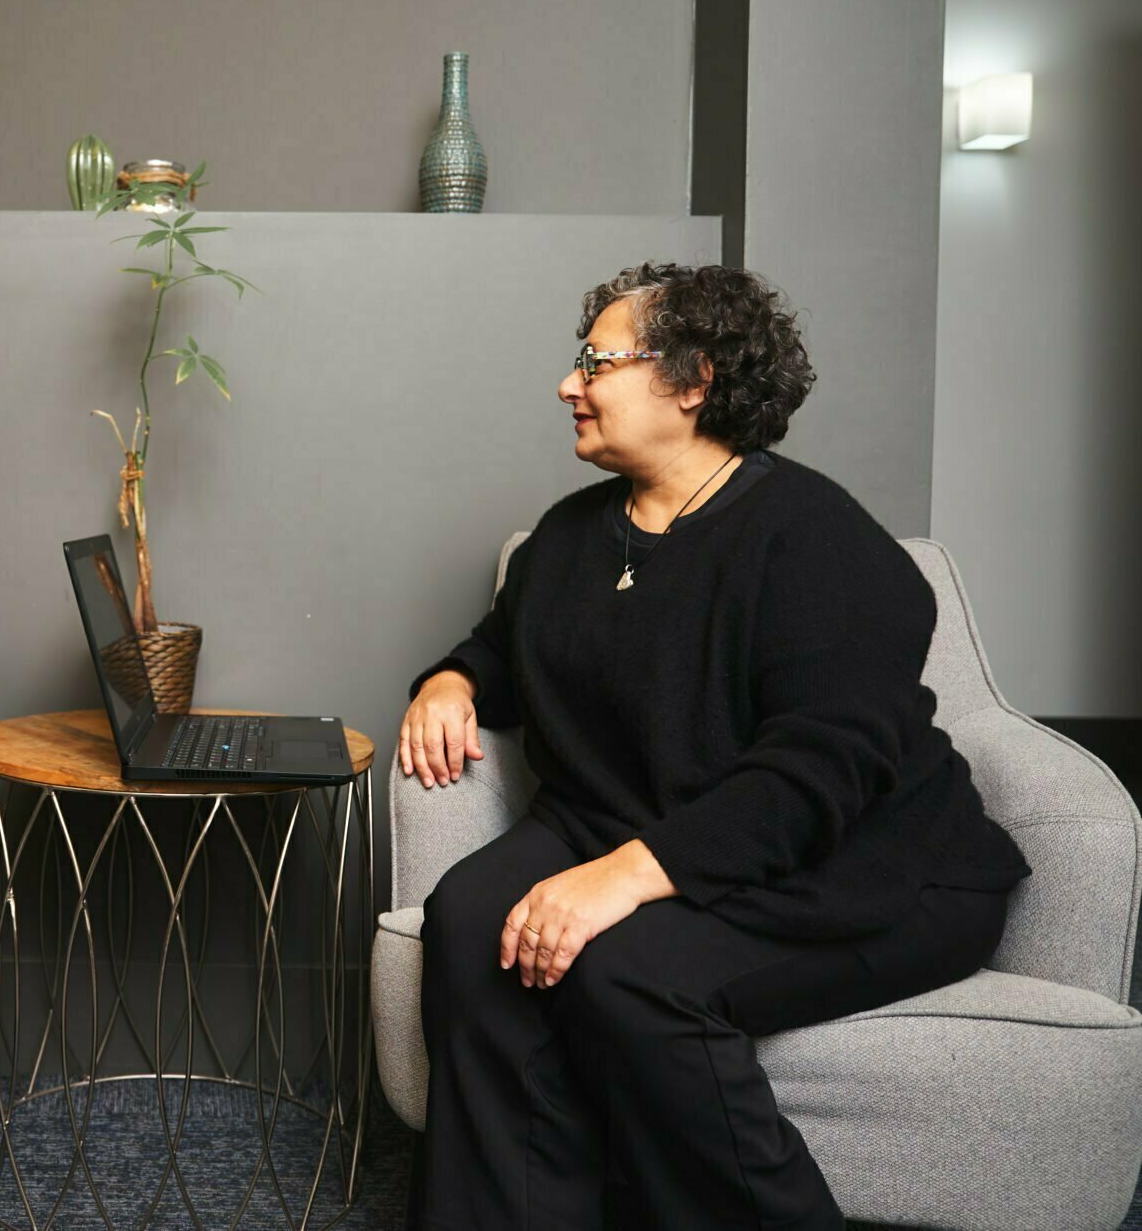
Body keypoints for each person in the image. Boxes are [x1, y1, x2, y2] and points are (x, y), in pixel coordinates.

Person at [399, 262, 1030, 1229]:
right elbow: (505, 647)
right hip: (625, 821)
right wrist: (451, 680)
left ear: (692, 381)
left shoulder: (821, 540)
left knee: (624, 970)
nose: (570, 384)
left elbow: (820, 773)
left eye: (596, 362)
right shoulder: (568, 539)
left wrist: (627, 877)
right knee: (469, 915)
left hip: (865, 864)